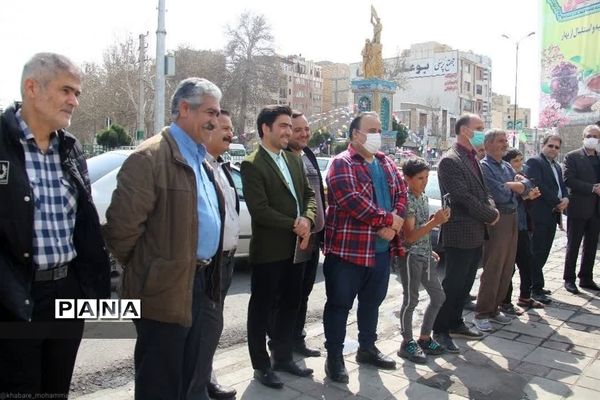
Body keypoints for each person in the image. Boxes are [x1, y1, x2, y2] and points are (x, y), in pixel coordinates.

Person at [102, 77, 225, 400]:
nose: (216, 119)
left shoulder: (199, 157)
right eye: (210, 111)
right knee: (160, 381)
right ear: (184, 108)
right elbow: (120, 230)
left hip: (199, 282)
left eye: (218, 111)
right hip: (162, 292)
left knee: (188, 377)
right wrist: (155, 268)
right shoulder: (150, 158)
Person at [0, 53, 110, 396]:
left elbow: (83, 223)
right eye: (66, 90)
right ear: (32, 87)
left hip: (66, 293)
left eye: (76, 93)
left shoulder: (71, 149)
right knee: (20, 388)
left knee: (56, 387)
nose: (74, 101)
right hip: (16, 295)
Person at [323, 111, 407, 383]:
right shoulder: (341, 163)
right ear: (355, 134)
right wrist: (387, 219)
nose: (377, 135)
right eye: (371, 130)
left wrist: (394, 225)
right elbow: (352, 200)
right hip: (349, 251)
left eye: (379, 130)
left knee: (372, 304)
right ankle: (334, 357)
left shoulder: (386, 163)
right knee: (339, 305)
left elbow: (402, 193)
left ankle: (367, 348)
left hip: (380, 251)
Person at [241, 105, 316, 390]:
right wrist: (293, 224)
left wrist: (307, 220)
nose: (288, 131)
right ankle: (261, 365)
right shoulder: (252, 163)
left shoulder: (294, 160)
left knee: (290, 304)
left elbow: (309, 195)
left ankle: (282, 357)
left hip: (298, 248)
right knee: (261, 308)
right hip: (270, 251)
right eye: (283, 126)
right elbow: (259, 210)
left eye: (290, 126)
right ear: (265, 129)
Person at [432, 114, 499, 353]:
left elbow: (484, 192)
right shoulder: (450, 160)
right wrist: (489, 214)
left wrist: (491, 207)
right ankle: (439, 330)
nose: (482, 132)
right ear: (463, 131)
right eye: (478, 128)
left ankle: (456, 321)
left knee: (466, 283)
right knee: (453, 284)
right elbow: (462, 197)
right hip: (459, 231)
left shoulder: (473, 158)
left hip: (476, 231)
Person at [473, 130, 534, 333]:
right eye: (500, 141)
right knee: (494, 266)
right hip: (498, 219)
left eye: (505, 141)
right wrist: (517, 188)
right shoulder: (484, 167)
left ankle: (495, 308)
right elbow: (498, 193)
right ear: (488, 144)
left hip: (514, 217)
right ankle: (482, 312)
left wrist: (515, 186)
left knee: (507, 266)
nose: (504, 145)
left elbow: (527, 185)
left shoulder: (506, 165)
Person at [201, 110, 239, 399]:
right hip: (207, 263)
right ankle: (202, 380)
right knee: (203, 324)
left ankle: (205, 375)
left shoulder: (222, 166)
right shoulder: (197, 166)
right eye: (225, 128)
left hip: (226, 260)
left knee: (213, 324)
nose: (231, 134)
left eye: (231, 128)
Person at [397, 157, 450, 364]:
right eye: (420, 178)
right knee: (411, 300)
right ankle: (407, 342)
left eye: (427, 177)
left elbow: (421, 228)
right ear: (408, 179)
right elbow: (409, 236)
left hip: (425, 254)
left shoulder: (423, 197)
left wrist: (430, 247)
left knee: (438, 297)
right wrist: (435, 222)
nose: (425, 181)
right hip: (410, 256)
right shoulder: (407, 199)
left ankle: (425, 337)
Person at [287, 111, 326, 358]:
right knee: (290, 293)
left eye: (306, 128)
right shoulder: (284, 158)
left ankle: (297, 338)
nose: (304, 134)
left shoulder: (308, 155)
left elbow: (318, 196)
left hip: (314, 236)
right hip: (296, 236)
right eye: (297, 129)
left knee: (305, 291)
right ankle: (281, 342)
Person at [526, 134, 568, 304]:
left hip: (553, 214)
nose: (553, 149)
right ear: (543, 145)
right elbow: (538, 184)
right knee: (536, 252)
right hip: (540, 214)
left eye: (557, 147)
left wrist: (565, 199)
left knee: (544, 251)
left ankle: (537, 284)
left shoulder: (557, 166)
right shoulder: (535, 162)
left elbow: (562, 186)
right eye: (550, 146)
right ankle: (533, 289)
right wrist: (557, 202)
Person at [500, 148, 544, 312]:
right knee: (509, 267)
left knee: (527, 262)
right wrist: (524, 195)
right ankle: (505, 300)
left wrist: (530, 197)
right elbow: (505, 198)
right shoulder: (505, 179)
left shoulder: (523, 179)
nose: (520, 164)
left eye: (521, 160)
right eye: (516, 161)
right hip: (509, 227)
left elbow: (527, 204)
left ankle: (525, 296)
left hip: (523, 226)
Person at [562, 124, 600, 294]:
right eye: (590, 135)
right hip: (578, 208)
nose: (593, 138)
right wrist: (592, 188)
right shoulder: (572, 157)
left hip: (596, 210)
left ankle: (586, 277)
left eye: (596, 136)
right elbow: (568, 180)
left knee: (591, 245)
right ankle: (569, 279)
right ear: (583, 137)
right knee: (573, 245)